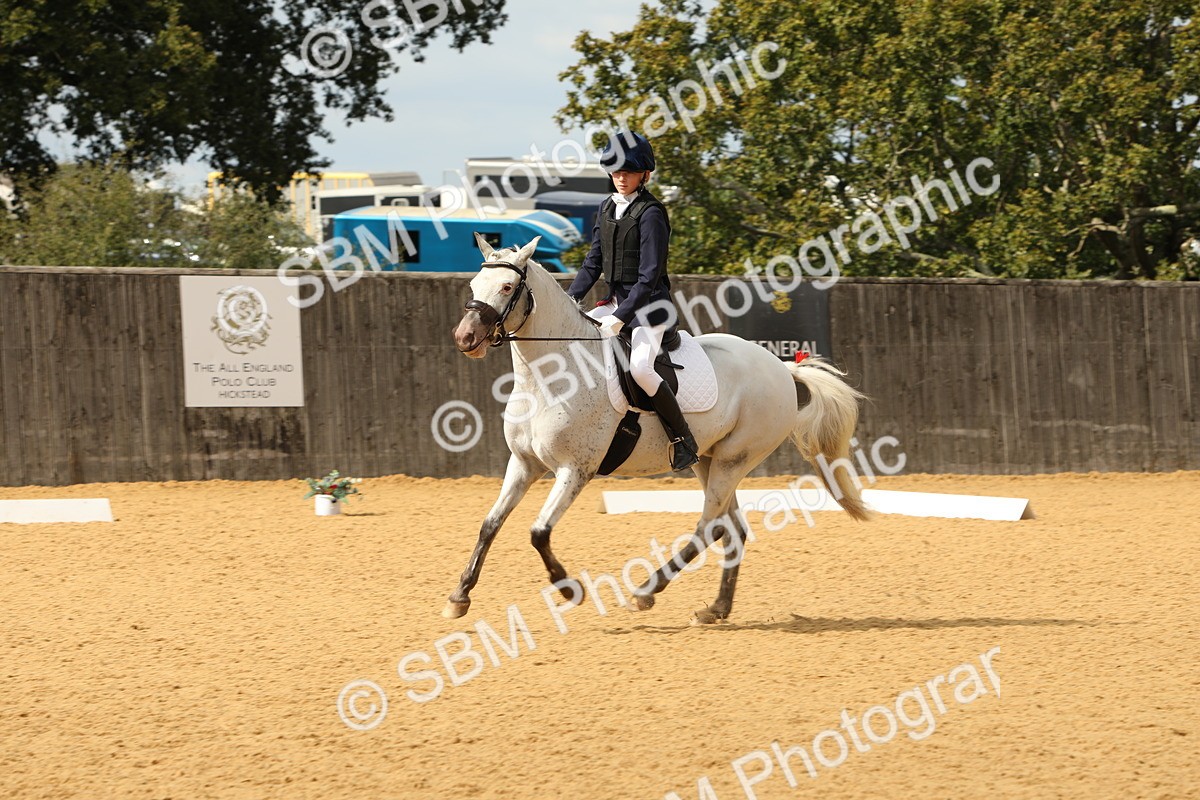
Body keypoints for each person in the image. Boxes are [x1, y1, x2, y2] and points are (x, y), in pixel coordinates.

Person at [567, 131, 699, 471]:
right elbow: (593, 261)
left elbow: (650, 274)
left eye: (628, 172)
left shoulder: (651, 213)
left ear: (645, 174)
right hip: (615, 301)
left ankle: (683, 439)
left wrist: (621, 316)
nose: (621, 178)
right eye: (615, 172)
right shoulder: (606, 207)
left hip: (649, 308)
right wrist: (571, 297)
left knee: (640, 367)